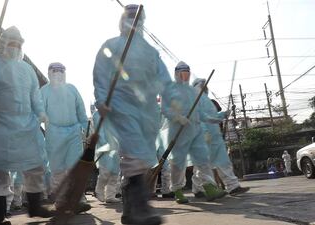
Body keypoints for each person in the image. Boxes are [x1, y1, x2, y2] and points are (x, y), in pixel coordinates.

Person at [93, 4, 174, 224]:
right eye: (129, 17)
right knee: (133, 155)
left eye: (137, 19)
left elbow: (164, 79)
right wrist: (101, 99)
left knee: (141, 158)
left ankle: (130, 212)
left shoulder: (150, 51)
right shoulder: (111, 45)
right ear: (121, 20)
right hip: (120, 104)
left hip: (146, 111)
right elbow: (100, 74)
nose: (133, 22)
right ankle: (141, 208)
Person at [0, 26, 52, 225]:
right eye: (11, 43)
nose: (14, 47)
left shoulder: (27, 69)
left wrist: (40, 112)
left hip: (26, 125)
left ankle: (35, 206)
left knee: (35, 165)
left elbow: (34, 95)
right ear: (2, 44)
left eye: (18, 44)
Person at [161, 61, 227, 204]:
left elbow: (200, 114)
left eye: (187, 73)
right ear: (176, 74)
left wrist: (215, 119)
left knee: (203, 160)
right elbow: (165, 110)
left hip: (195, 131)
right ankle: (177, 190)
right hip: (178, 131)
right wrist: (178, 117)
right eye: (182, 73)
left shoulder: (192, 92)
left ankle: (210, 188)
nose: (185, 76)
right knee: (178, 163)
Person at [40, 62, 91, 212]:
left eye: (61, 70)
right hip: (54, 135)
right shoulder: (44, 91)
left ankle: (79, 200)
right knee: (58, 170)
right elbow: (38, 111)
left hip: (73, 133)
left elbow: (81, 111)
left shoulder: (72, 89)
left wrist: (88, 131)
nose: (58, 73)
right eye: (55, 71)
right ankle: (61, 202)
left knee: (75, 167)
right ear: (49, 73)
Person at [192, 78, 250, 196]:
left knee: (219, 162)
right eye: (202, 85)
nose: (205, 87)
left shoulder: (206, 100)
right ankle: (199, 188)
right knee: (204, 164)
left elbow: (211, 116)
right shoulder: (195, 100)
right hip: (203, 135)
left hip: (213, 135)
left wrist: (222, 115)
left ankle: (232, 186)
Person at [92, 111, 121, 203]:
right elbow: (98, 131)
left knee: (115, 172)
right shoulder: (97, 114)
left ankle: (110, 195)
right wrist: (105, 144)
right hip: (105, 146)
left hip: (116, 146)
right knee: (105, 171)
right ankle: (99, 191)